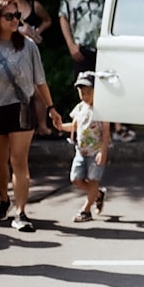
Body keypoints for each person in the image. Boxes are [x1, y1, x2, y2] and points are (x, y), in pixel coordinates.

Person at [0, 0, 62, 232]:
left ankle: (21, 212)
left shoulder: (29, 46)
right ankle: (4, 199)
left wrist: (51, 108)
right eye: (10, 16)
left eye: (18, 15)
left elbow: (40, 81)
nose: (16, 20)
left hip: (21, 108)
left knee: (19, 160)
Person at [58, 0, 135, 142]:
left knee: (109, 86)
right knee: (84, 88)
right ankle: (85, 129)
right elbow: (63, 16)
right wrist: (70, 45)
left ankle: (113, 129)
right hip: (81, 44)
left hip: (104, 43)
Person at [52, 71, 110, 222]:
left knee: (93, 180)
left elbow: (105, 133)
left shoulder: (102, 109)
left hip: (95, 151)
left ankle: (86, 210)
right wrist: (61, 126)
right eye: (81, 92)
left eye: (88, 92)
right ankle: (97, 194)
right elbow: (75, 126)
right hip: (81, 151)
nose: (84, 95)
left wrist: (103, 151)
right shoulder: (80, 108)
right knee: (75, 178)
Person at [8, 0, 57, 137]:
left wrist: (36, 31)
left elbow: (48, 20)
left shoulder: (34, 5)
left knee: (38, 89)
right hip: (12, 53)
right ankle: (19, 127)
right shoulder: (8, 7)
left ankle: (42, 125)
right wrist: (19, 30)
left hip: (30, 53)